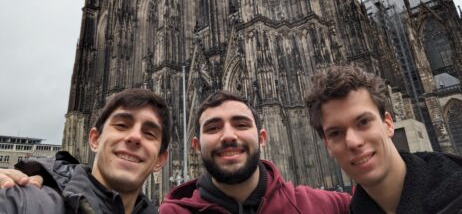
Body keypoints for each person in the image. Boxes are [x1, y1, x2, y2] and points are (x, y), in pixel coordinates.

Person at [305, 65, 462, 214]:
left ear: (388, 124)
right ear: (327, 145)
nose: (354, 142)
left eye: (363, 122)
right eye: (335, 133)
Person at [159, 90, 350, 213]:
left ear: (262, 138)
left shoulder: (325, 207)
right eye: (213, 128)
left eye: (241, 124)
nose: (228, 136)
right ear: (197, 145)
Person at [0, 88, 170, 214]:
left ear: (160, 160)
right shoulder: (27, 203)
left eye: (149, 133)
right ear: (94, 139)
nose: (134, 137)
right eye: (121, 125)